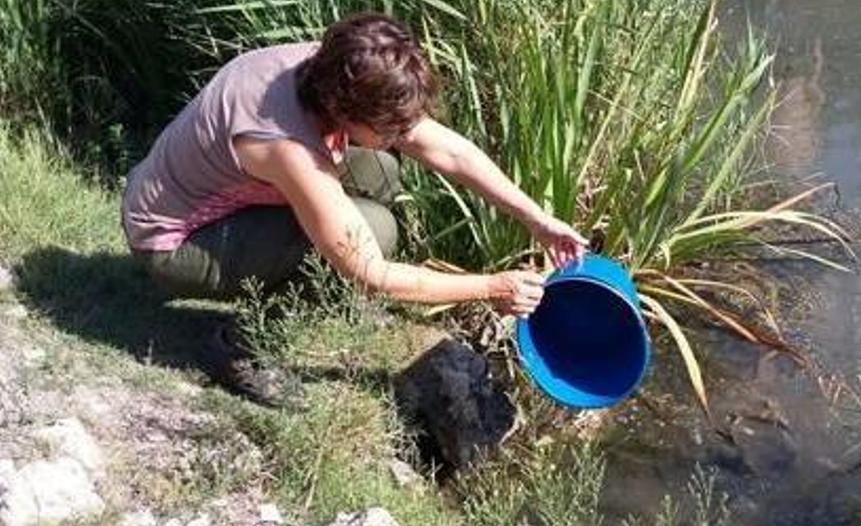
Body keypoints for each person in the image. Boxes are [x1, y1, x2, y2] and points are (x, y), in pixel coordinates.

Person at [121, 12, 586, 407]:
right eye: (391, 125)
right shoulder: (285, 147)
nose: (406, 134)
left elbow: (452, 153)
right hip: (172, 241)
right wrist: (491, 286)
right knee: (374, 233)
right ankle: (241, 348)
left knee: (379, 170)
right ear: (344, 110)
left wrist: (537, 219)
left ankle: (295, 281)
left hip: (199, 192)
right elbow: (369, 271)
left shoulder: (332, 67)